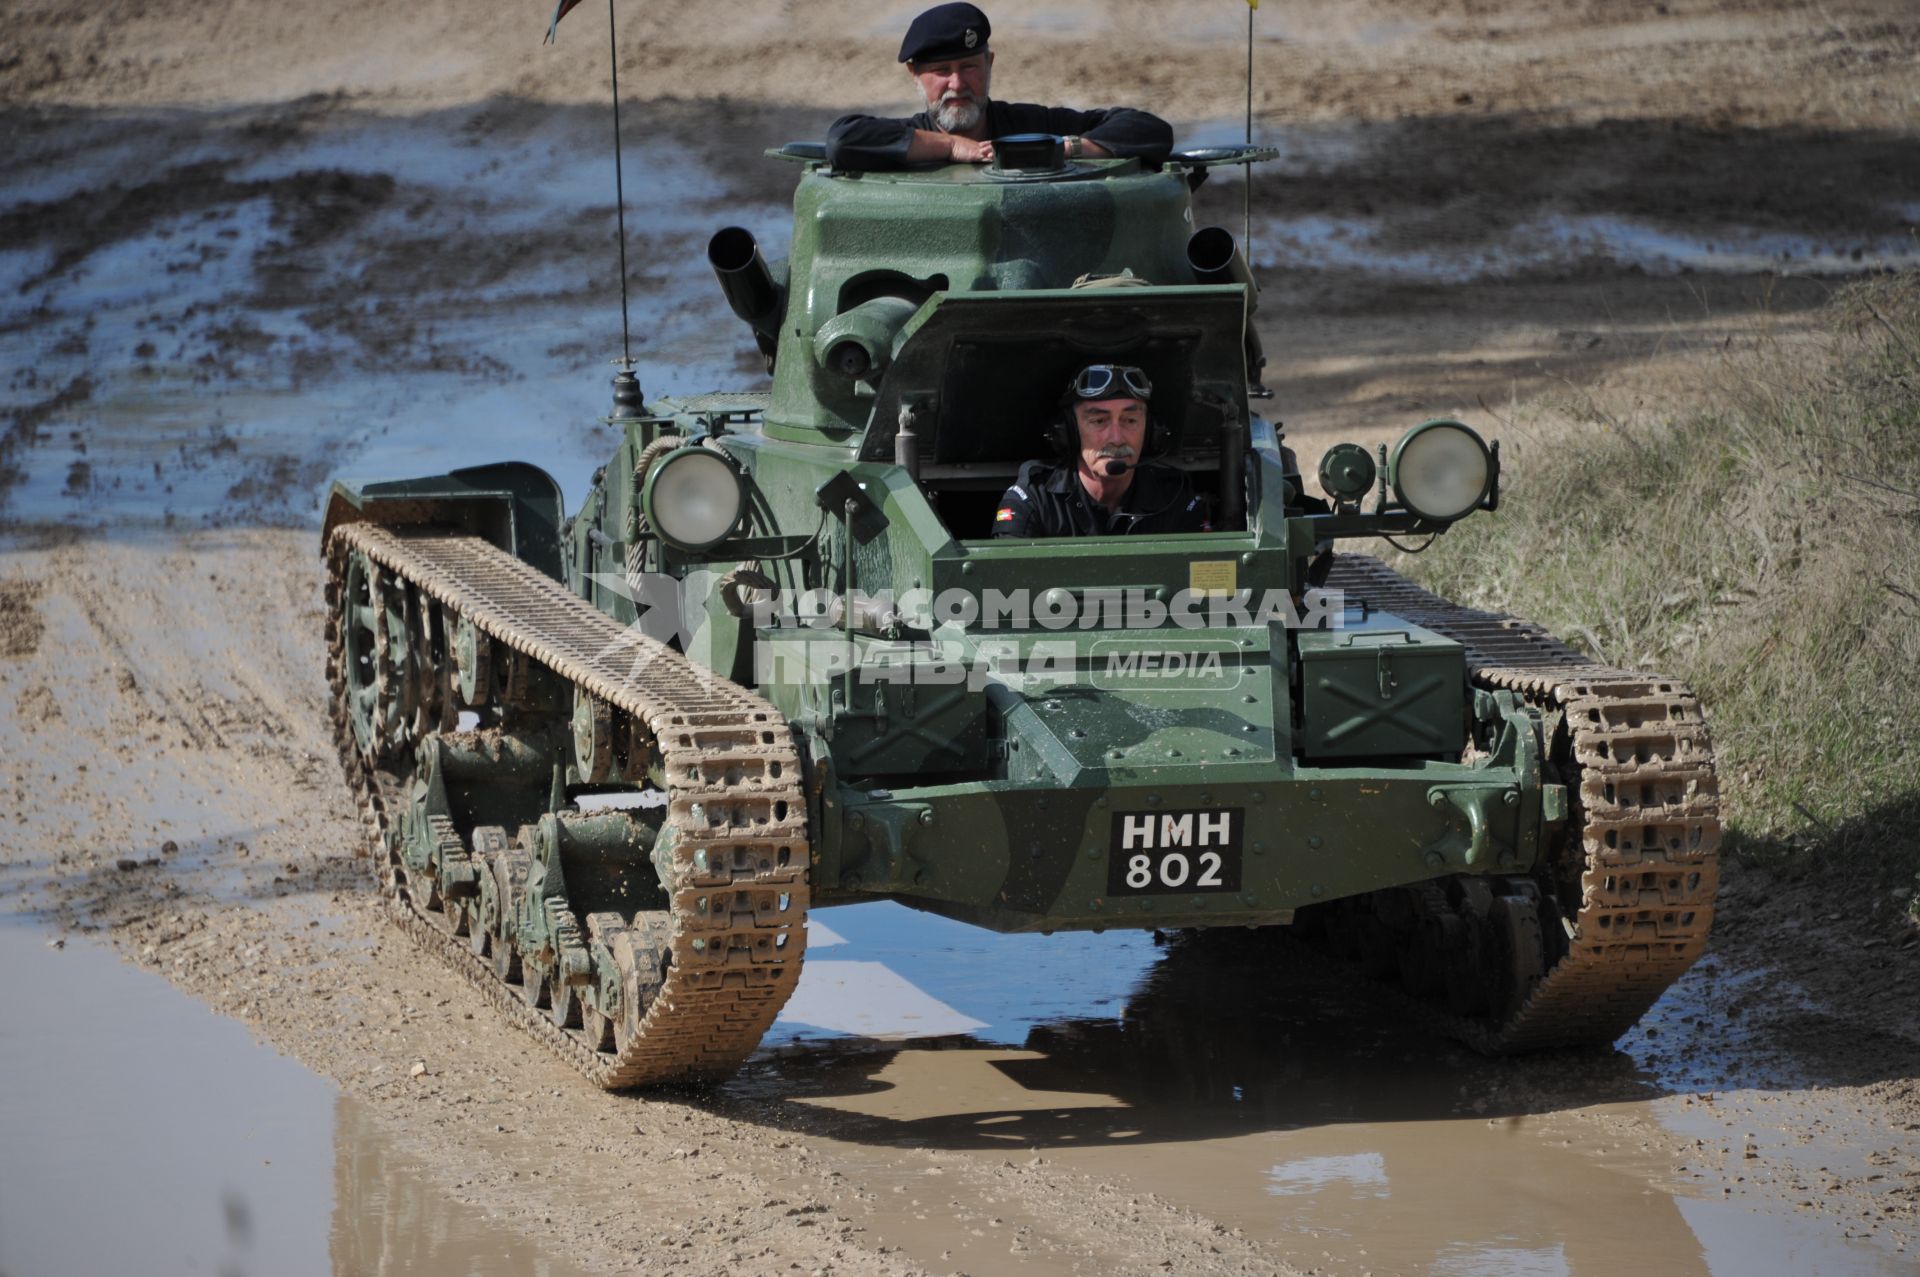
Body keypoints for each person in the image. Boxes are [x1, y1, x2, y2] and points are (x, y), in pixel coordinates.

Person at [826, 3, 1174, 171]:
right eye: (941, 71)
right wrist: (949, 147)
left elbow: (1149, 131)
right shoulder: (912, 136)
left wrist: (1059, 149)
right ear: (914, 74)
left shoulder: (1034, 127)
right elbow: (844, 139)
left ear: (989, 64)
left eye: (968, 67)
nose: (958, 84)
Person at [993, 364, 1210, 538]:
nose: (1116, 438)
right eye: (1099, 421)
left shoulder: (1174, 498)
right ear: (1070, 432)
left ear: (1150, 430)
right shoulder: (1036, 499)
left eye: (1130, 420)